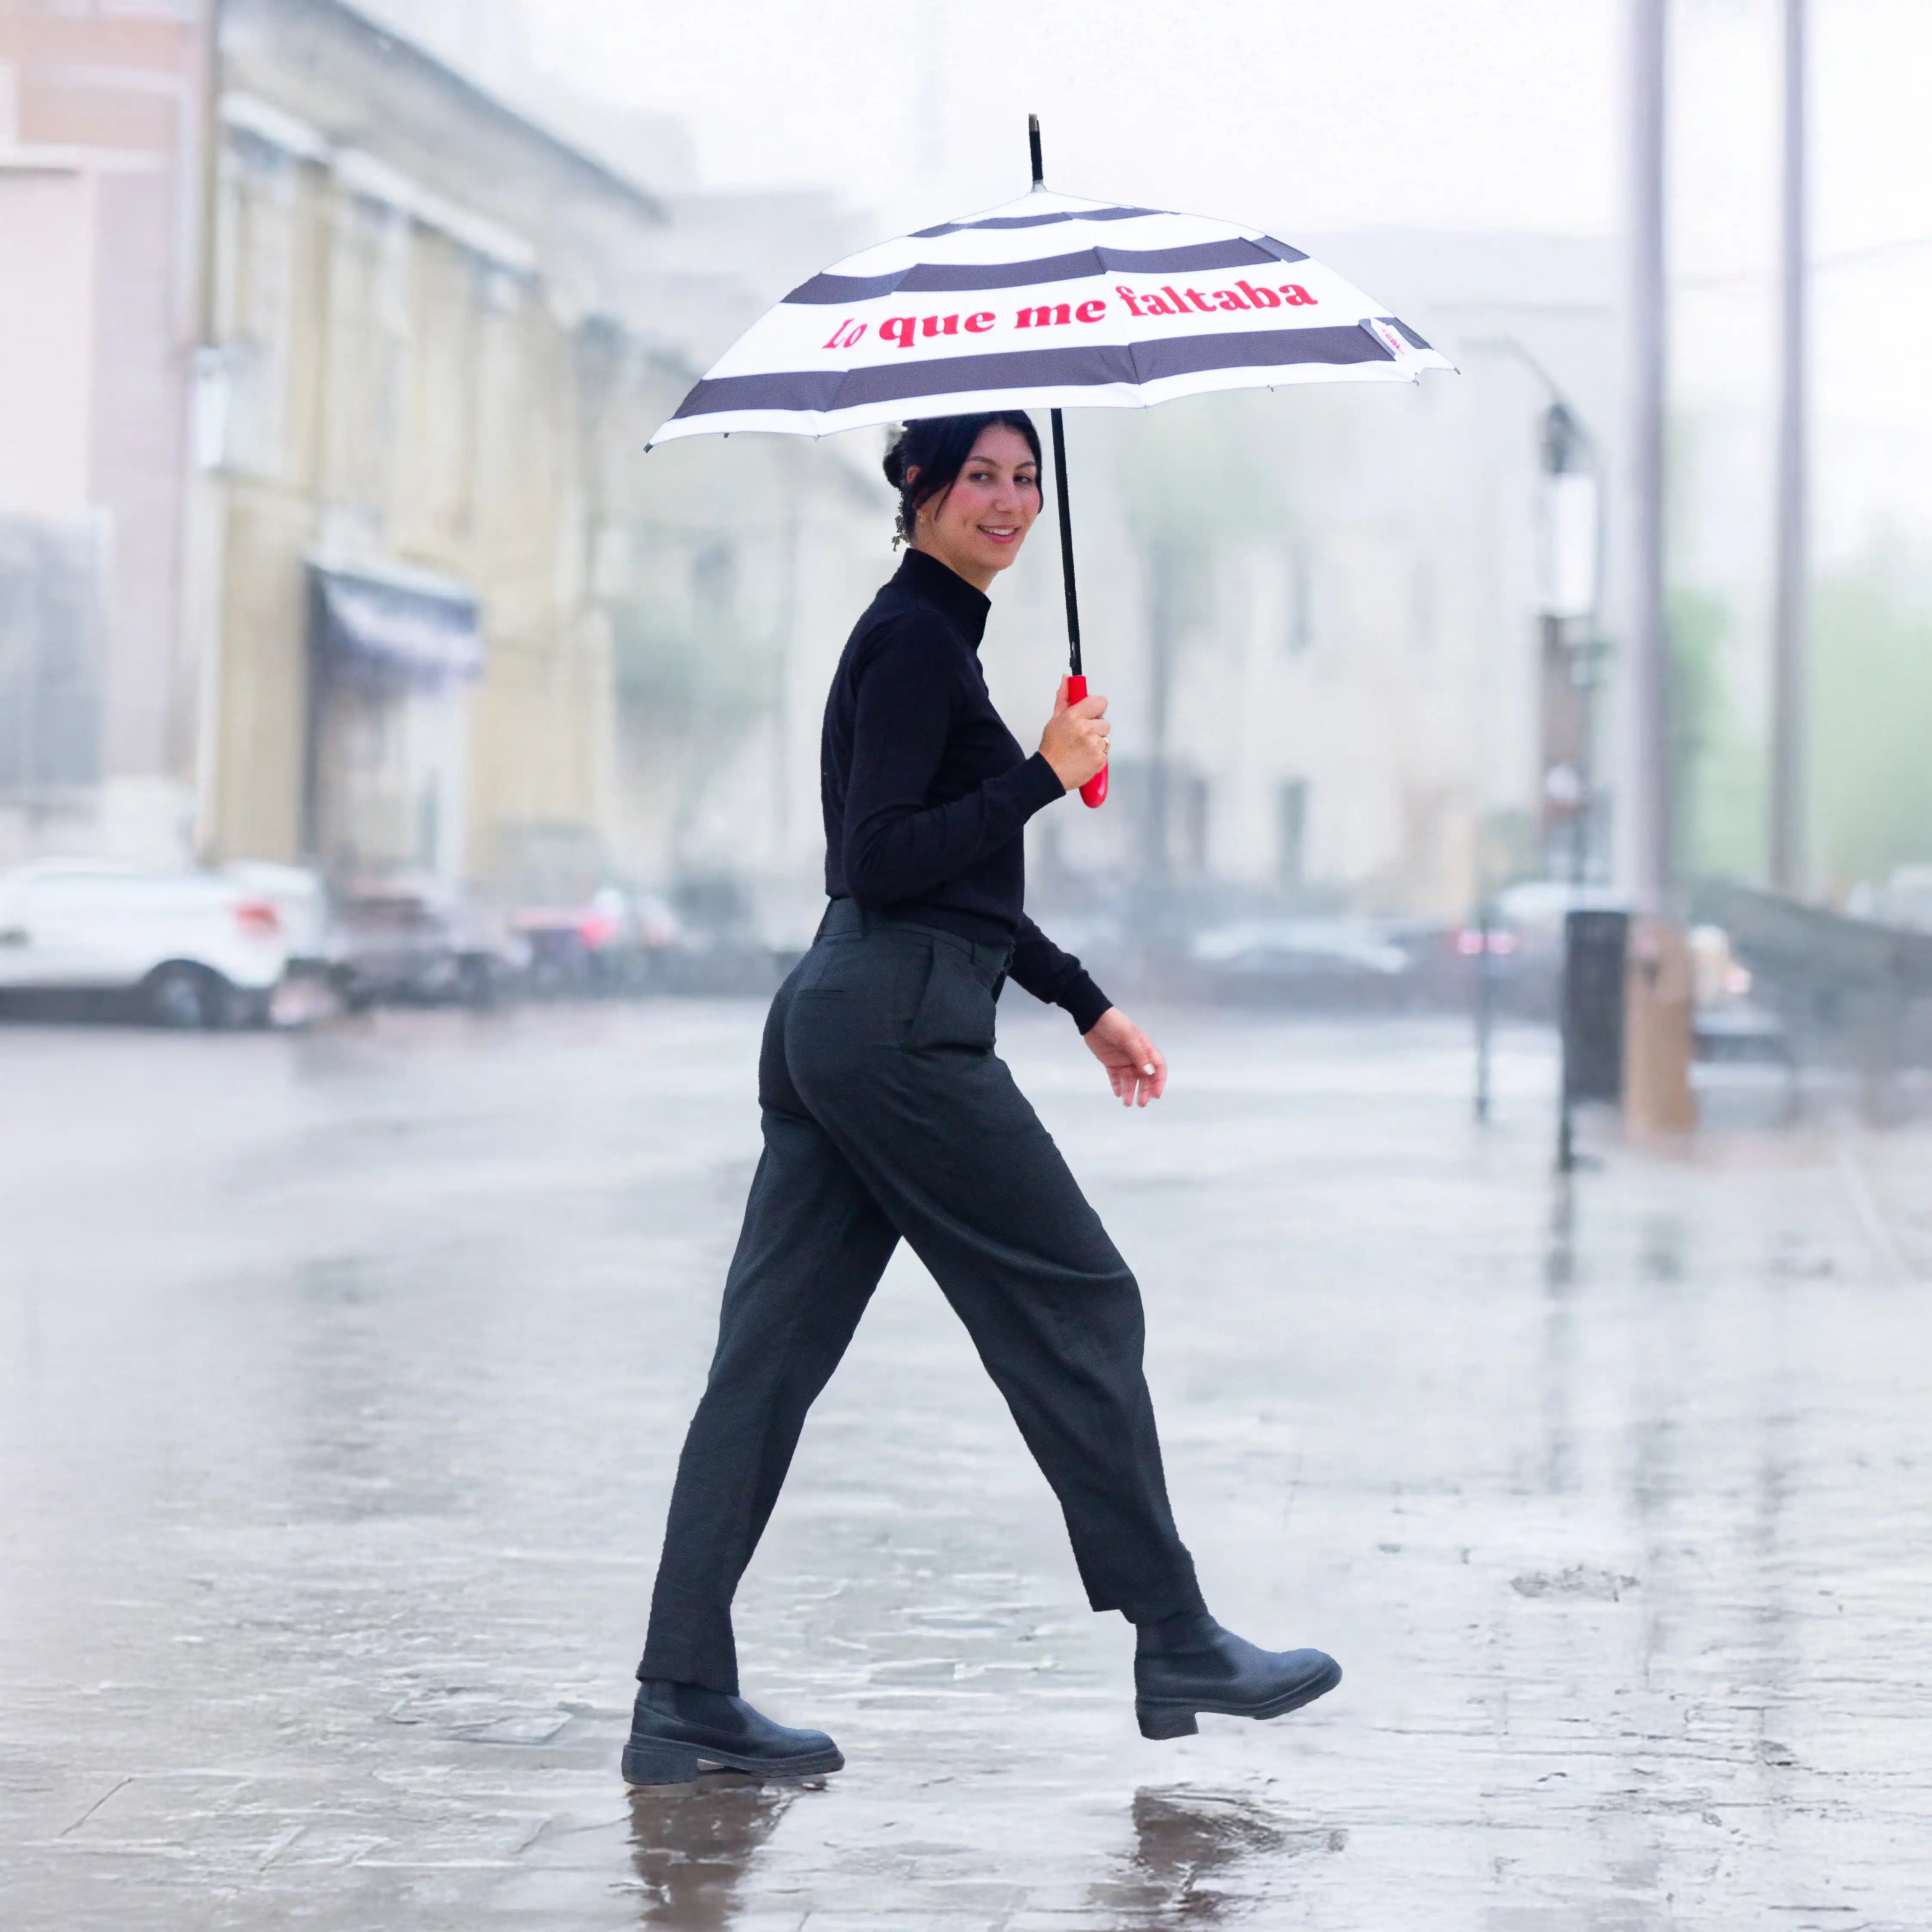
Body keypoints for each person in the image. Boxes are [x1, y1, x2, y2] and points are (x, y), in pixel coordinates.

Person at [622, 412, 1339, 1786]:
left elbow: (957, 888)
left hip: (854, 1017)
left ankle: (682, 1695)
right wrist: (1040, 776)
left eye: (1027, 480)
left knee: (763, 1370)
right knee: (1080, 1296)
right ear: (916, 488)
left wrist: (1083, 1001)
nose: (1009, 502)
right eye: (980, 479)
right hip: (894, 1031)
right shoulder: (911, 644)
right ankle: (1176, 1634)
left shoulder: (940, 642)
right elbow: (882, 859)